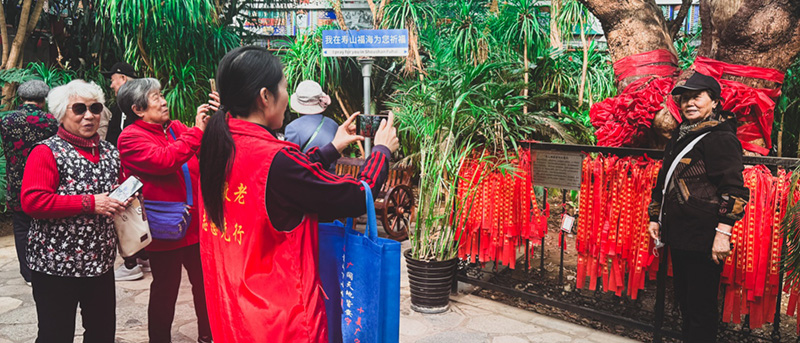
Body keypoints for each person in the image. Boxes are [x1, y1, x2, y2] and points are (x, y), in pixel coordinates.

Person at [198, 46, 399, 342]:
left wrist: (334, 147)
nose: (286, 100)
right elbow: (355, 196)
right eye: (284, 88)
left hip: (234, 310)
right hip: (280, 322)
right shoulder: (276, 160)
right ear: (265, 97)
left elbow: (288, 179)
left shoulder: (217, 144)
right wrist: (381, 151)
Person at [21, 79, 132, 342]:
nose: (89, 115)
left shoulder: (109, 151)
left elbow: (115, 187)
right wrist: (90, 203)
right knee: (55, 334)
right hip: (55, 265)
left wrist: (124, 195)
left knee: (102, 332)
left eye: (95, 108)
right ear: (61, 113)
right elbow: (33, 201)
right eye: (79, 108)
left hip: (100, 263)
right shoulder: (46, 152)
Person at [648, 71, 750, 343]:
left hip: (705, 236)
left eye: (697, 97)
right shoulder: (682, 134)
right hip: (679, 233)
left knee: (701, 307)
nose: (689, 103)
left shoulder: (719, 137)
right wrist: (654, 217)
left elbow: (734, 189)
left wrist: (723, 234)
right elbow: (664, 178)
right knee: (685, 301)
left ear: (714, 102)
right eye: (684, 99)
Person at [116, 78, 212, 343]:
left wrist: (213, 122)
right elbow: (165, 160)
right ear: (138, 109)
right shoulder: (130, 138)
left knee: (205, 286)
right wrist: (196, 132)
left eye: (161, 95)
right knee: (165, 290)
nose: (164, 101)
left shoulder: (174, 128)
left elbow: (203, 147)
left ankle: (208, 335)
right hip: (165, 228)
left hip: (195, 223)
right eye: (156, 97)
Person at [0, 80, 58, 286]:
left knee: (22, 228)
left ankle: (28, 274)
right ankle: (49, 266)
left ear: (21, 97)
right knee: (47, 224)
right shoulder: (52, 122)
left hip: (17, 182)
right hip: (45, 180)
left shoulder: (6, 121)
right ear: (43, 100)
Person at [102, 61, 150, 281]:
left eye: (113, 80)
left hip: (130, 171)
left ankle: (131, 262)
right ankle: (143, 256)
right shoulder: (140, 98)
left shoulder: (134, 102)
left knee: (126, 212)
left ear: (121, 78)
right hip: (133, 169)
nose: (112, 85)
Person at [284, 80, 340, 171]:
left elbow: (290, 163)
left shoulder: (292, 128)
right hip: (330, 181)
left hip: (306, 182)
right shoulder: (334, 125)